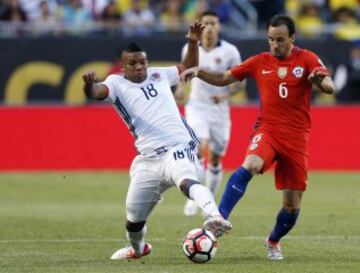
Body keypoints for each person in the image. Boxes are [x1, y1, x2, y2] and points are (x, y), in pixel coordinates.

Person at [181, 15, 335, 260]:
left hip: (296, 138)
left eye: (281, 40)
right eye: (271, 40)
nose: (275, 45)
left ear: (292, 38)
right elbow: (223, 78)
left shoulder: (306, 58)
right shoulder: (259, 61)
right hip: (268, 130)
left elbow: (329, 85)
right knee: (250, 164)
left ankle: (273, 241)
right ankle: (218, 218)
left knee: (292, 205)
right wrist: (199, 71)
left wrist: (320, 83)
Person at [81, 21, 232, 261]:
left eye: (143, 61)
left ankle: (214, 217)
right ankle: (138, 250)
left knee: (186, 181)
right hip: (148, 159)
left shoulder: (160, 74)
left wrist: (193, 40)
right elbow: (96, 93)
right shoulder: (115, 84)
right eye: (133, 63)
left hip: (178, 146)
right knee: (133, 219)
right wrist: (89, 84)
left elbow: (189, 67)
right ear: (123, 66)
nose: (140, 67)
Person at [176, 10, 244, 217]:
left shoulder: (230, 51)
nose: (210, 27)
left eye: (213, 23)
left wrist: (223, 97)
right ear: (201, 26)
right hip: (197, 106)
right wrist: (179, 89)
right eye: (206, 23)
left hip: (220, 112)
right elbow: (183, 73)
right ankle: (195, 198)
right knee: (198, 149)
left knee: (214, 160)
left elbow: (241, 82)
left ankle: (208, 199)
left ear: (219, 26)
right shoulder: (189, 48)